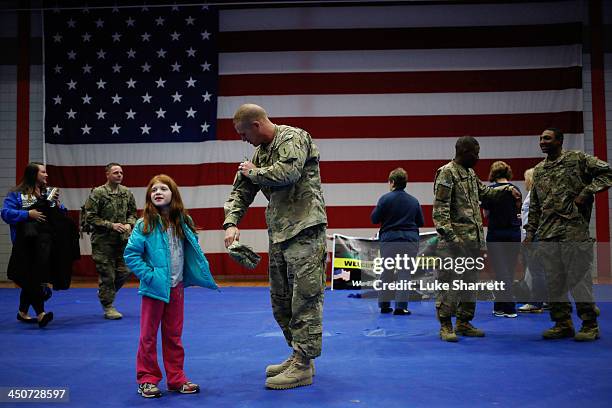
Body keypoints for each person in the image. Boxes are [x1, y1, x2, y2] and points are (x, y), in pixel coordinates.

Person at [223, 103, 327, 390]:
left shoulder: (293, 138)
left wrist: (255, 172)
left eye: (243, 133)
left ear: (256, 125)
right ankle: (298, 354)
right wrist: (231, 222)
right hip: (280, 234)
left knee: (305, 298)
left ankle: (303, 365)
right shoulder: (260, 153)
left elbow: (287, 174)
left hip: (305, 230)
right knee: (281, 301)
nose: (242, 139)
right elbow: (241, 190)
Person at [124, 174, 218, 398]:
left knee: (174, 336)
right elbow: (131, 254)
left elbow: (191, 250)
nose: (158, 192)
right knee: (148, 336)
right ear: (149, 196)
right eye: (154, 189)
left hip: (176, 288)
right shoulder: (143, 224)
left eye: (163, 189)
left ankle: (176, 379)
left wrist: (195, 272)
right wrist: (150, 275)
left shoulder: (183, 222)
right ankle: (147, 379)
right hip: (154, 289)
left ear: (173, 194)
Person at [525, 128, 612, 341]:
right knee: (555, 283)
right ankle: (562, 324)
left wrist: (587, 191)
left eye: (547, 138)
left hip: (574, 233)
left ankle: (589, 325)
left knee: (579, 281)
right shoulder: (539, 170)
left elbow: (607, 172)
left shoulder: (578, 159)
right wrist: (529, 234)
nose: (542, 142)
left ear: (559, 141)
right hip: (547, 235)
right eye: (540, 138)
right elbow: (535, 206)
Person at [433, 136, 521, 342]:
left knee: (469, 284)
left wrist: (506, 188)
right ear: (463, 151)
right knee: (449, 284)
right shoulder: (447, 172)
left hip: (473, 243)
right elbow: (440, 213)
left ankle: (464, 323)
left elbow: (486, 194)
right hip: (454, 245)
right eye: (476, 152)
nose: (479, 157)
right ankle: (446, 325)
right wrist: (455, 240)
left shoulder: (470, 174)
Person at [2, 162, 63, 327]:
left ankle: (22, 312)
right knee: (31, 278)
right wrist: (27, 214)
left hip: (44, 244)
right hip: (25, 244)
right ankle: (41, 314)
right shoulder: (17, 194)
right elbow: (5, 213)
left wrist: (58, 206)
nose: (46, 175)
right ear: (33, 174)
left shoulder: (47, 193)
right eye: (43, 172)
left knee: (33, 278)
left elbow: (60, 214)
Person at [84, 163, 137, 319]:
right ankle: (108, 307)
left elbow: (133, 213)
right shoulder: (98, 193)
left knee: (126, 271)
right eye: (115, 172)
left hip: (123, 240)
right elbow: (90, 217)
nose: (119, 175)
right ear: (107, 174)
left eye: (121, 172)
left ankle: (105, 292)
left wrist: (129, 224)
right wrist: (111, 225)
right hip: (103, 241)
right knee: (108, 275)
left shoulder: (127, 192)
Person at [371, 167, 424, 315]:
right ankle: (401, 306)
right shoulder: (414, 201)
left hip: (389, 240)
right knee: (404, 273)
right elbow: (421, 221)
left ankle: (384, 305)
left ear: (392, 182)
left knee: (387, 271)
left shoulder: (385, 199)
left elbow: (374, 219)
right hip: (409, 241)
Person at [480, 161, 522, 318]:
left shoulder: (489, 191)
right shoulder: (516, 190)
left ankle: (509, 307)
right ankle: (499, 306)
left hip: (496, 234)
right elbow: (517, 210)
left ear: (493, 173)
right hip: (513, 233)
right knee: (509, 271)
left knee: (500, 271)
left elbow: (486, 214)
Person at [517, 168, 546, 313]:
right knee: (543, 271)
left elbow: (534, 217)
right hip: (536, 235)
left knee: (536, 271)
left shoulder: (535, 194)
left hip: (534, 236)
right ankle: (547, 300)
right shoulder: (536, 194)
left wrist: (527, 237)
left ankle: (536, 302)